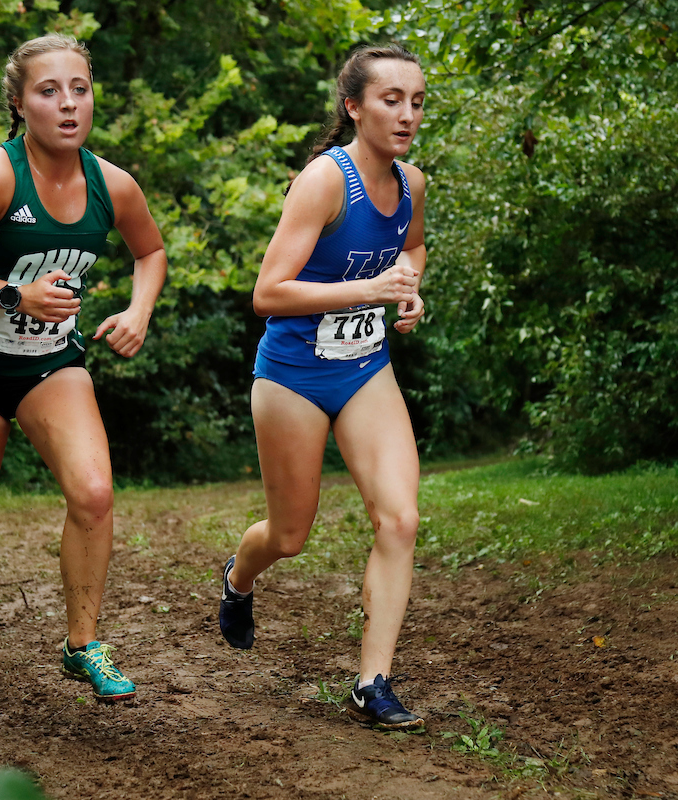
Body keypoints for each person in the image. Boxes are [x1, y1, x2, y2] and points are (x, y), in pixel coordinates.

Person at [0, 33, 167, 718]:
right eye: (48, 91)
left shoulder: (112, 185)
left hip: (52, 363)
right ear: (20, 104)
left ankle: (82, 642)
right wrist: (14, 295)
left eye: (78, 89)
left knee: (94, 493)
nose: (67, 103)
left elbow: (151, 249)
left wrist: (139, 310)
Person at [218, 43, 428, 731]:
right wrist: (368, 286)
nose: (406, 115)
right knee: (288, 534)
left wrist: (409, 288)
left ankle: (374, 682)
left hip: (365, 368)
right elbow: (267, 293)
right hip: (295, 377)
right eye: (391, 100)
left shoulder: (413, 184)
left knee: (399, 518)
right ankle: (238, 579)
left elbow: (412, 246)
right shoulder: (325, 181)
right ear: (354, 106)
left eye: (417, 102)